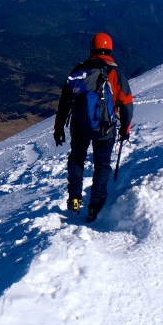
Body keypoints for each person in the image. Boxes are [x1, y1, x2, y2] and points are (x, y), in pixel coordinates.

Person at [54, 32, 134, 222]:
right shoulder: (115, 73)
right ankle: (94, 207)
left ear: (92, 48)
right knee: (102, 166)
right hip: (105, 129)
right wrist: (125, 130)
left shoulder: (78, 71)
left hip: (79, 127)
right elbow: (127, 104)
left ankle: (74, 198)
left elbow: (64, 103)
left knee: (76, 159)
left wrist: (58, 129)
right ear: (110, 48)